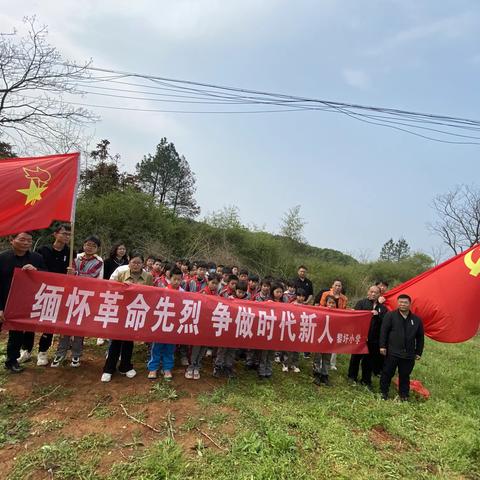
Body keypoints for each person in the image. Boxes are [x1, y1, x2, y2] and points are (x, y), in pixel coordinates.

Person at [51, 235, 103, 368]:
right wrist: (71, 274)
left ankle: (76, 355)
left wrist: (75, 274)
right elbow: (70, 270)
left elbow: (91, 275)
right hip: (69, 295)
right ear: (84, 244)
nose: (90, 247)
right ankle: (60, 353)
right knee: (64, 324)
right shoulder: (74, 257)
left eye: (93, 246)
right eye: (88, 244)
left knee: (79, 326)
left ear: (97, 248)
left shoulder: (98, 261)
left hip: (85, 296)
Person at [101, 253, 153, 382]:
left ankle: (125, 366)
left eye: (139, 263)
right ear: (129, 262)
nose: (136, 265)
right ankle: (109, 368)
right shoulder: (121, 273)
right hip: (120, 310)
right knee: (116, 341)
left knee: (129, 341)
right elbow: (111, 289)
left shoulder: (148, 276)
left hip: (136, 311)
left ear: (143, 264)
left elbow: (151, 293)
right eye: (133, 262)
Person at [1, 232, 46, 373]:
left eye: (29, 240)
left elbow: (47, 276)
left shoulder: (36, 258)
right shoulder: (2, 258)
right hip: (3, 300)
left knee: (17, 333)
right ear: (12, 240)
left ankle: (11, 361)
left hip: (23, 302)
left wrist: (36, 271)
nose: (26, 242)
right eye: (22, 239)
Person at [33, 224, 72, 366]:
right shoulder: (43, 250)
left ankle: (43, 352)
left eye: (69, 234)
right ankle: (25, 349)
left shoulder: (70, 252)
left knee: (50, 322)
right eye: (64, 233)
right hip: (41, 290)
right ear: (55, 234)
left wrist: (71, 274)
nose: (67, 236)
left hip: (60, 292)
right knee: (32, 320)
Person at [380, 294, 424, 401]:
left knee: (405, 375)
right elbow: (383, 332)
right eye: (400, 302)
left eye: (405, 302)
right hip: (392, 351)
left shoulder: (416, 320)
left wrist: (418, 352)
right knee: (387, 373)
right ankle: (383, 392)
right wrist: (382, 346)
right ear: (397, 303)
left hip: (408, 354)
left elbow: (420, 337)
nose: (402, 304)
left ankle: (404, 395)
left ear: (410, 304)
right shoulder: (390, 316)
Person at [347, 286, 387, 388]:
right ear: (368, 292)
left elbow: (385, 323)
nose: (373, 294)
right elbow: (354, 318)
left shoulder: (382, 308)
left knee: (369, 361)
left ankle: (366, 380)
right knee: (355, 358)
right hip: (360, 336)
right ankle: (352, 377)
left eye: (376, 293)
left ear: (379, 295)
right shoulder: (361, 303)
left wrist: (377, 315)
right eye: (371, 292)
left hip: (374, 339)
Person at [148, 267, 184, 380]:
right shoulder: (163, 290)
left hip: (173, 325)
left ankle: (167, 368)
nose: (177, 282)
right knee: (156, 347)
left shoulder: (183, 292)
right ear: (170, 278)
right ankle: (153, 368)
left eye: (179, 280)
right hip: (161, 323)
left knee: (170, 348)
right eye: (174, 279)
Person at [185, 274, 220, 380]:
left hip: (209, 325)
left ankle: (197, 365)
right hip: (200, 324)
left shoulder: (217, 295)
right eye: (212, 282)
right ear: (208, 282)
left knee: (204, 346)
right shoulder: (203, 293)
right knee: (196, 346)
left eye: (216, 283)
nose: (214, 285)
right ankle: (191, 366)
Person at [258, 282, 285, 380]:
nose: (279, 294)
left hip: (277, 330)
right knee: (264, 352)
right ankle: (261, 371)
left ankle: (268, 371)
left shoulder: (284, 303)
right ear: (272, 292)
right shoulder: (268, 301)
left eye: (281, 292)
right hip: (267, 330)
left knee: (271, 353)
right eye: (277, 291)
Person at [320, 280, 348, 370]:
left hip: (337, 322)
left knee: (335, 342)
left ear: (341, 287)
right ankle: (321, 361)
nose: (337, 287)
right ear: (332, 286)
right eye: (336, 285)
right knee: (323, 340)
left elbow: (344, 310)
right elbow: (321, 306)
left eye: (339, 286)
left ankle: (332, 363)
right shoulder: (325, 294)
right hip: (325, 320)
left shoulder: (344, 298)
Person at [313, 294, 337, 386]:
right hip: (320, 337)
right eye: (329, 302)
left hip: (330, 338)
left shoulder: (338, 313)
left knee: (327, 357)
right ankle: (316, 374)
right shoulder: (320, 311)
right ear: (326, 303)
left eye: (333, 303)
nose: (331, 305)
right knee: (317, 357)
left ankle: (325, 375)